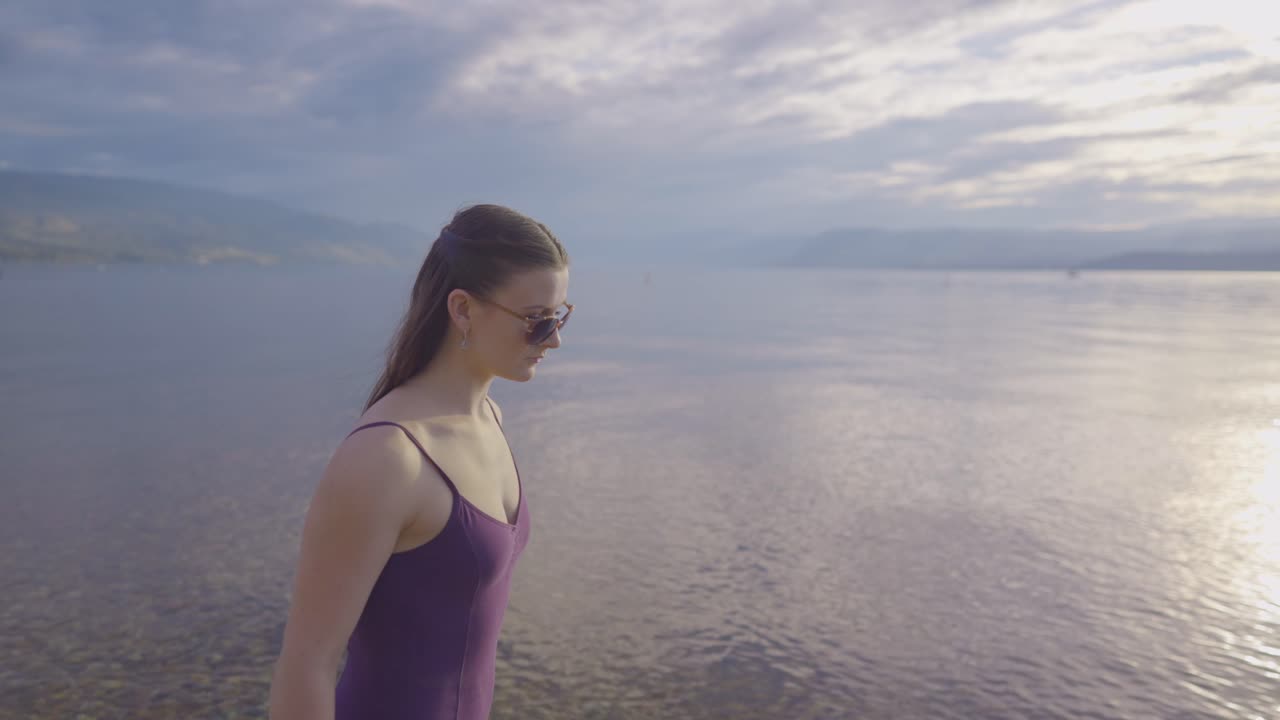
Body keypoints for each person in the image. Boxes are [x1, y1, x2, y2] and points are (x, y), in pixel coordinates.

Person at [268, 204, 572, 720]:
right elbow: (307, 664)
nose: (555, 339)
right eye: (536, 321)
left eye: (559, 316)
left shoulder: (489, 417)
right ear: (462, 309)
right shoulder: (387, 459)